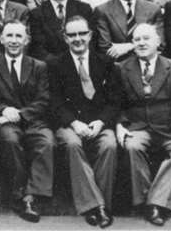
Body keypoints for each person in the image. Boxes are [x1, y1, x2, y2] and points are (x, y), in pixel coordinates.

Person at [113, 23, 171, 226]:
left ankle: (153, 202)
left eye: (146, 38)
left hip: (167, 127)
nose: (141, 43)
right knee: (132, 146)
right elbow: (116, 102)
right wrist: (120, 125)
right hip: (137, 126)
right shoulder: (122, 68)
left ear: (158, 42)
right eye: (137, 39)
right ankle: (149, 202)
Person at [47, 14, 119, 228]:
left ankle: (99, 205)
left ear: (90, 35)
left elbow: (115, 101)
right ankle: (97, 207)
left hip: (98, 122)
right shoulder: (55, 64)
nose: (77, 38)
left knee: (110, 145)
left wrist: (100, 122)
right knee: (71, 144)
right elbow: (54, 102)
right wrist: (74, 123)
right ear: (65, 38)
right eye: (72, 35)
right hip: (70, 124)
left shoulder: (105, 62)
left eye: (81, 33)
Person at [0, 20, 54, 223]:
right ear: (1, 39)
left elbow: (44, 99)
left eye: (18, 36)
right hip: (6, 122)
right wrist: (3, 109)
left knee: (47, 142)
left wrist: (22, 114)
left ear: (26, 40)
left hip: (33, 120)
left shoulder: (39, 66)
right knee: (9, 139)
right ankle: (19, 194)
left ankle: (32, 196)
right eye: (9, 36)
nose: (14, 41)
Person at [94, 0, 163, 62]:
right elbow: (106, 49)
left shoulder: (153, 9)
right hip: (117, 70)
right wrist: (142, 46)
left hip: (147, 67)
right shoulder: (103, 11)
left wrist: (129, 46)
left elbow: (159, 44)